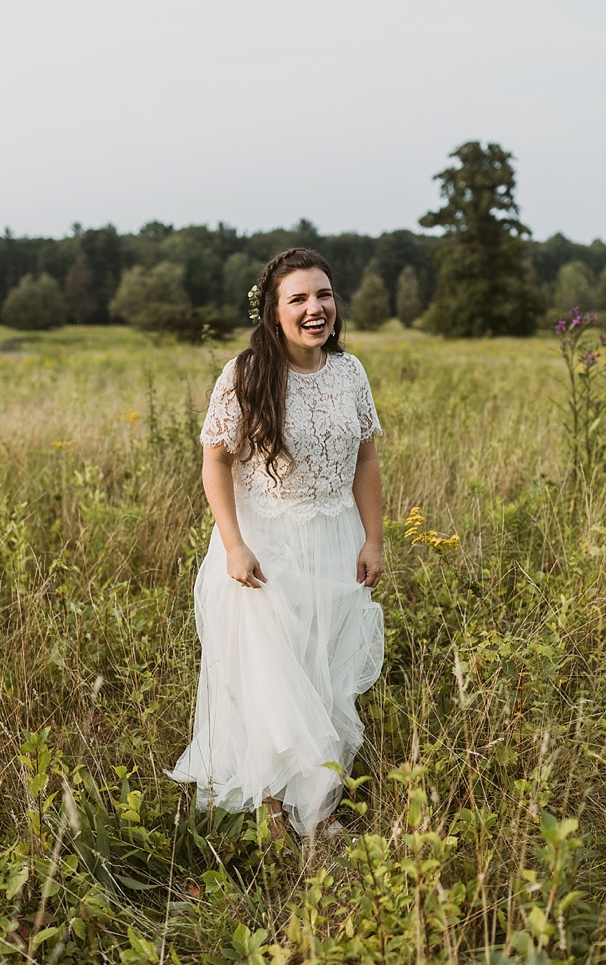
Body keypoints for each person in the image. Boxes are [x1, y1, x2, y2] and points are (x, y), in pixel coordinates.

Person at [169, 247, 385, 838]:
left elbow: (366, 458)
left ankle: (316, 808)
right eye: (299, 299)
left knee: (323, 675)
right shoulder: (245, 374)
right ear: (273, 311)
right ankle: (271, 814)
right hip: (264, 548)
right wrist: (234, 545)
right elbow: (215, 463)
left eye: (324, 295)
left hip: (336, 541)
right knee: (270, 680)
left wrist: (374, 539)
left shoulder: (350, 372)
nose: (315, 309)